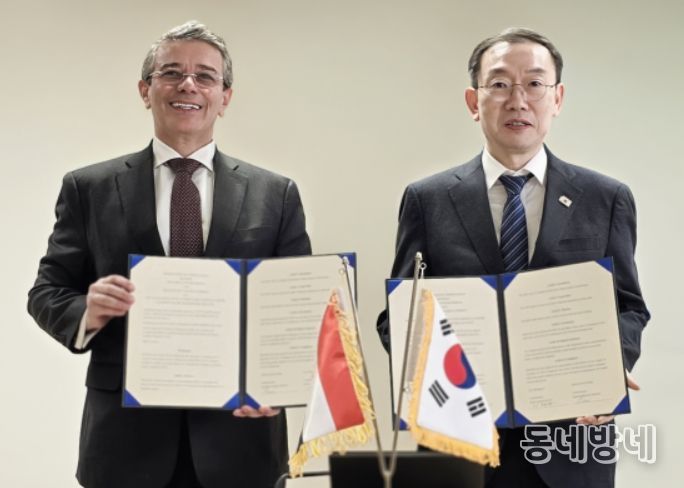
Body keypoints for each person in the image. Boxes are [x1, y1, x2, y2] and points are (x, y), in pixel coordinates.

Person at [27, 20, 310, 488]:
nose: (188, 85)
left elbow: (297, 310)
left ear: (225, 97)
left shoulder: (275, 194)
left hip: (241, 444)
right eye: (172, 72)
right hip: (123, 446)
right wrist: (87, 311)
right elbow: (47, 291)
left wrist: (278, 384)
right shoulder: (89, 188)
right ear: (145, 90)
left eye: (205, 76)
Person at [377, 28, 649, 488]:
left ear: (557, 98)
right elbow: (398, 317)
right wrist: (432, 368)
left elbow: (628, 306)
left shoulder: (605, 198)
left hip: (571, 441)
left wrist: (608, 367)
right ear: (473, 101)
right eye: (500, 84)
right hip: (460, 442)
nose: (518, 100)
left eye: (535, 84)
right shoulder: (428, 199)